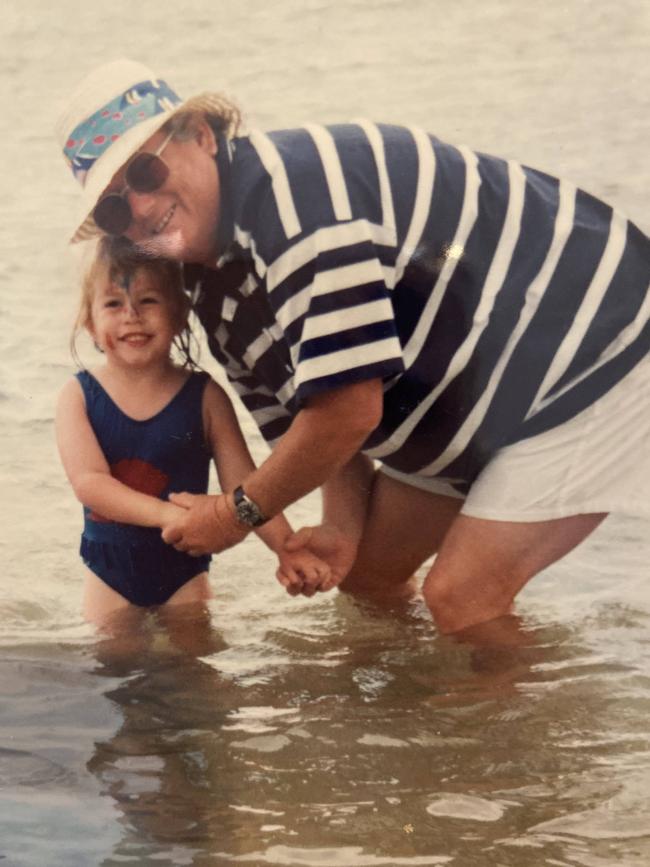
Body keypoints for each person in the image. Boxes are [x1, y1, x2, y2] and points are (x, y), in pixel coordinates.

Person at [55, 59, 650, 635]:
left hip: (596, 347)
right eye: (113, 207)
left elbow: (348, 413)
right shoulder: (210, 291)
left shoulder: (297, 208)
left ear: (203, 136)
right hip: (473, 397)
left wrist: (234, 514)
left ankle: (536, 736)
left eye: (143, 174)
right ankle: (410, 730)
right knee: (369, 582)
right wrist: (340, 527)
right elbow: (305, 423)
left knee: (462, 597)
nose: (137, 208)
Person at [55, 237, 332, 627]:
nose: (131, 315)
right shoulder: (79, 396)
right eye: (113, 304)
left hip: (185, 575)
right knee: (115, 672)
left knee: (194, 674)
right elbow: (91, 484)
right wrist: (173, 516)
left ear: (180, 314)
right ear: (91, 324)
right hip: (108, 576)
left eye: (148, 300)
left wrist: (286, 550)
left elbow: (245, 484)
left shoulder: (204, 396)